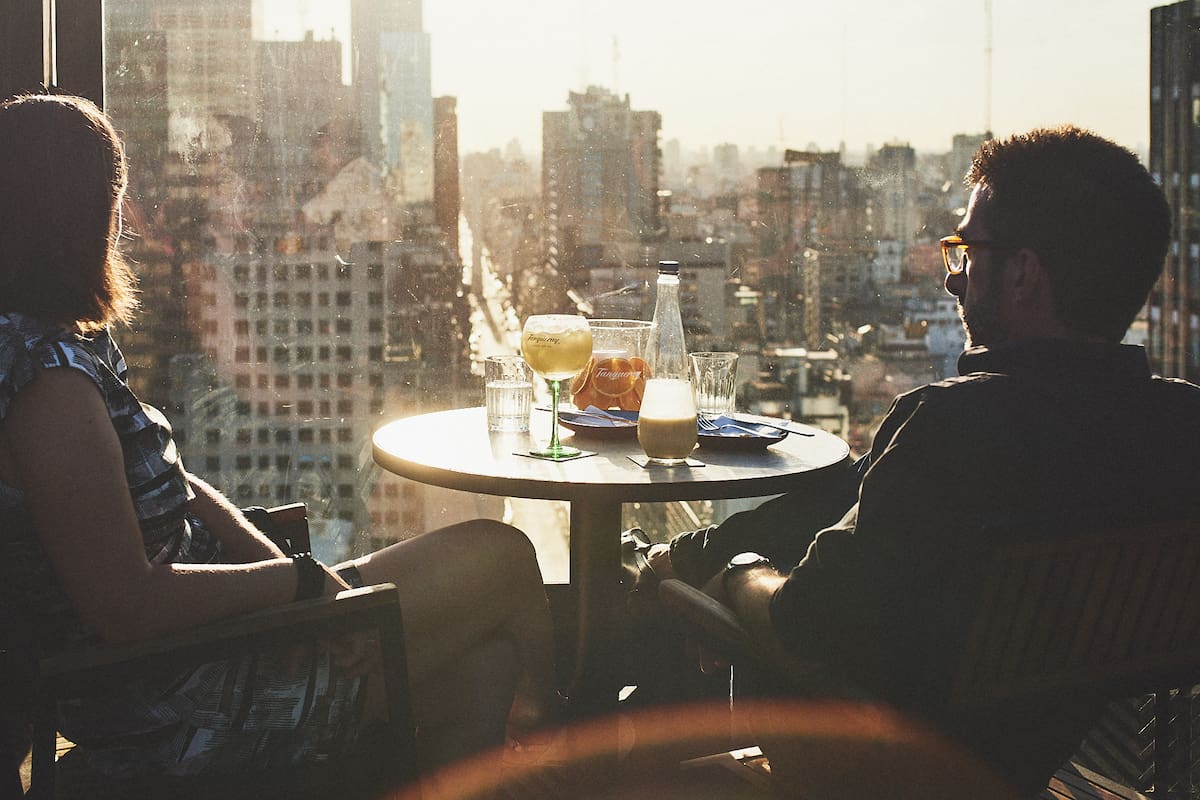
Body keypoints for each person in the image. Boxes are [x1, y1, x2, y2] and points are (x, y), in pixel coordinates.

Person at [0, 93, 561, 785]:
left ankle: (544, 745)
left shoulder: (67, 347)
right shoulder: (48, 387)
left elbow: (180, 487)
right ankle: (570, 741)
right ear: (76, 215)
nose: (123, 221)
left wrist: (293, 579)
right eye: (114, 199)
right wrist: (293, 585)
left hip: (227, 645)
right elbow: (123, 605)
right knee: (503, 555)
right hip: (188, 703)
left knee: (487, 664)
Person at [636, 125, 1200, 794]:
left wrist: (736, 571)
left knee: (665, 609)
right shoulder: (1181, 428)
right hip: (1041, 762)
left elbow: (805, 622)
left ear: (1022, 272)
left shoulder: (955, 427)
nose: (953, 281)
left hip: (867, 772)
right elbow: (855, 502)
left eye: (965, 253)